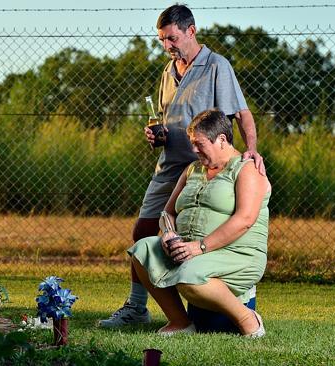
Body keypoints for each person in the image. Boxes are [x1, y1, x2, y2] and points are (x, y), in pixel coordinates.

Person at [99, 4, 266, 328]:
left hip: (205, 167)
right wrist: (158, 134)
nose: (167, 46)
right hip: (171, 165)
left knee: (207, 227)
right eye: (162, 40)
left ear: (191, 31)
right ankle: (137, 307)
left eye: (172, 38)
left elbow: (242, 113)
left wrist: (252, 150)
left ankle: (235, 296)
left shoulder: (216, 65)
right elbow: (168, 119)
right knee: (145, 229)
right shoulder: (168, 71)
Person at [126, 108, 271, 336]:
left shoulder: (247, 169)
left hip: (236, 254)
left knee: (189, 272)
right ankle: (180, 322)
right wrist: (168, 234)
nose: (193, 149)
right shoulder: (192, 169)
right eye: (191, 143)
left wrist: (198, 247)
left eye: (199, 143)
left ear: (221, 140)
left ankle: (249, 321)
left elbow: (245, 220)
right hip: (193, 254)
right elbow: (168, 212)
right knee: (142, 250)